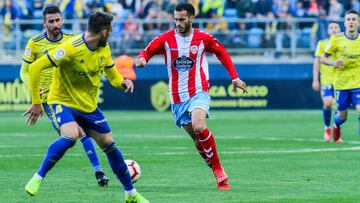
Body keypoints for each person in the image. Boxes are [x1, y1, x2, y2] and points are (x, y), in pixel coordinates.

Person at [24, 11, 149, 203]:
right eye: (111, 30)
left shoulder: (104, 48)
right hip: (62, 101)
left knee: (108, 143)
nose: (111, 34)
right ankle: (37, 177)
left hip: (88, 106)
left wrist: (122, 82)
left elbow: (111, 73)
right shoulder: (71, 48)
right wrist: (36, 101)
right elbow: (35, 67)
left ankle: (130, 193)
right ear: (104, 31)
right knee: (71, 136)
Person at [135, 2, 247, 191]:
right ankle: (215, 168)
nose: (177, 23)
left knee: (199, 125)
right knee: (197, 140)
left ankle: (219, 171)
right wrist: (142, 60)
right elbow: (147, 51)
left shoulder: (203, 39)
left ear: (191, 18)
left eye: (181, 19)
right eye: (175, 19)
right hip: (177, 97)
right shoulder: (165, 39)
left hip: (199, 91)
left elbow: (222, 53)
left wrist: (234, 77)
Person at [20, 5, 109, 186]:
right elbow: (25, 71)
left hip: (71, 95)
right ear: (44, 23)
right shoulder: (34, 43)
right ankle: (98, 171)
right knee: (78, 133)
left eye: (58, 20)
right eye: (51, 21)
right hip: (50, 98)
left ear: (62, 20)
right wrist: (34, 92)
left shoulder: (72, 41)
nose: (55, 24)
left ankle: (99, 172)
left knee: (82, 132)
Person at [321, 9, 360, 143]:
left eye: (354, 19)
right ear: (344, 23)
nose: (351, 22)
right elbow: (322, 58)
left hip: (358, 83)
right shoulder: (336, 39)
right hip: (342, 84)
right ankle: (336, 125)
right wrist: (333, 63)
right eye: (348, 19)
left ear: (358, 23)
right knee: (342, 116)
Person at [312, 21, 341, 142]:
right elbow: (317, 61)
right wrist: (315, 79)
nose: (333, 29)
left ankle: (336, 131)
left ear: (339, 29)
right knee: (328, 103)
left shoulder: (344, 43)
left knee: (340, 108)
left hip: (341, 79)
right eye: (331, 27)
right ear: (328, 31)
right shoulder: (322, 44)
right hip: (327, 79)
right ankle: (327, 129)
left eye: (335, 27)